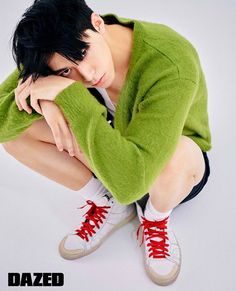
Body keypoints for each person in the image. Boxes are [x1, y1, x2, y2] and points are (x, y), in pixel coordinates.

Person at [0, 0, 211, 286]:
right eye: (65, 72)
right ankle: (109, 203)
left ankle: (155, 219)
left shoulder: (170, 61)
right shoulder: (55, 51)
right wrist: (44, 102)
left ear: (97, 24)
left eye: (84, 53)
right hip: (110, 153)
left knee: (173, 155)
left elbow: (131, 182)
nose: (86, 75)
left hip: (169, 170)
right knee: (16, 136)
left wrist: (67, 94)